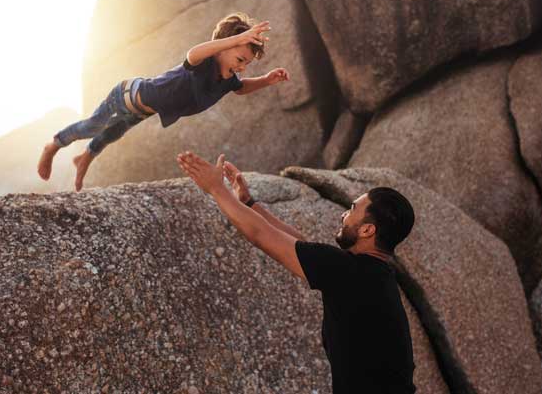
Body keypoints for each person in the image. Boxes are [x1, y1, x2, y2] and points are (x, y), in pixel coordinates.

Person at [176, 151, 417, 394]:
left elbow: (262, 236)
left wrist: (217, 189)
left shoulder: (350, 272)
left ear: (367, 230)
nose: (344, 214)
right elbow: (301, 245)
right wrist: (249, 203)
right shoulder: (371, 273)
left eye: (353, 209)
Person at [37, 12, 290, 191]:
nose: (242, 68)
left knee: (112, 134)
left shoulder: (226, 79)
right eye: (240, 59)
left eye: (246, 63)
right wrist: (236, 39)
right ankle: (54, 144)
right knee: (93, 126)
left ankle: (84, 158)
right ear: (222, 49)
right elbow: (193, 53)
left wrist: (267, 80)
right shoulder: (203, 63)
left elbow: (242, 88)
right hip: (126, 94)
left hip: (141, 111)